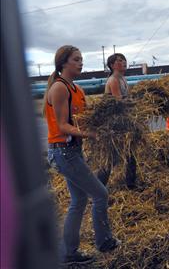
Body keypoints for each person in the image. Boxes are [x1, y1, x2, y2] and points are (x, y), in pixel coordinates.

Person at [45, 45, 120, 265]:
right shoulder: (59, 88)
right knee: (100, 194)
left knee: (78, 200)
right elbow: (62, 127)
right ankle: (104, 242)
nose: (81, 63)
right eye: (76, 59)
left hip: (72, 151)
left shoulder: (77, 89)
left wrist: (106, 120)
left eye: (81, 59)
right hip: (62, 152)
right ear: (63, 63)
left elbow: (83, 119)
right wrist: (91, 134)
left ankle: (68, 254)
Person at [96, 53, 138, 189]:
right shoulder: (113, 80)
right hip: (114, 124)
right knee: (111, 157)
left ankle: (131, 184)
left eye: (124, 60)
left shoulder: (123, 79)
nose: (123, 62)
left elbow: (128, 99)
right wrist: (135, 104)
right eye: (119, 61)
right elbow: (119, 102)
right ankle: (98, 187)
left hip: (123, 121)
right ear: (112, 65)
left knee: (131, 153)